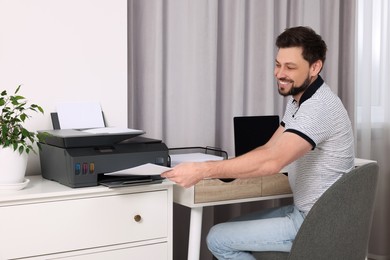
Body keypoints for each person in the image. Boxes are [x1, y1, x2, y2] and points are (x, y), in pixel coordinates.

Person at [161, 26, 354, 259]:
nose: (280, 73)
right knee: (229, 228)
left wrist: (202, 170)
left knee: (218, 239)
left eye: (290, 67)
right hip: (304, 213)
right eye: (278, 64)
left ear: (315, 67)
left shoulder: (319, 107)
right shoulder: (298, 102)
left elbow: (272, 162)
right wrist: (222, 169)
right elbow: (270, 148)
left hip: (318, 224)